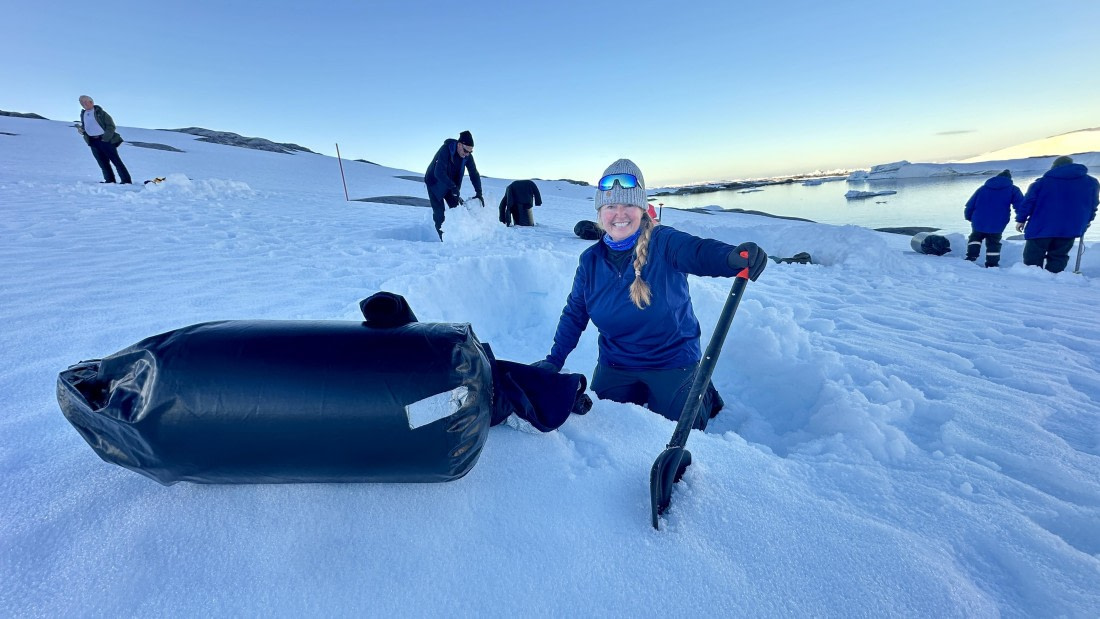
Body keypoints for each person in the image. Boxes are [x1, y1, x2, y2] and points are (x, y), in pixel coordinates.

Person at [533, 159, 768, 430]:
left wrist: (729, 257)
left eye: (628, 205)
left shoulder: (664, 241)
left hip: (672, 359)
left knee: (677, 428)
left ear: (642, 209)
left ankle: (702, 390)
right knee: (604, 423)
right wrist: (554, 360)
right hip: (616, 361)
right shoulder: (590, 261)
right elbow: (575, 314)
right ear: (600, 213)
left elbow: (697, 251)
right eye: (610, 206)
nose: (619, 214)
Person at [1015, 156, 1098, 273]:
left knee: (1033, 256)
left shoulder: (1041, 183)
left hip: (1041, 226)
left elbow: (1028, 202)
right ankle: (1053, 279)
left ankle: (1033, 279)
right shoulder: (1092, 183)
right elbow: (1093, 205)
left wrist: (1021, 219)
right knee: (1059, 256)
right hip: (1070, 227)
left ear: (1054, 167)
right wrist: (1088, 220)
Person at [423, 130, 483, 240]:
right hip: (434, 182)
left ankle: (459, 237)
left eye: (470, 152)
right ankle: (444, 241)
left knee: (456, 208)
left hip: (450, 183)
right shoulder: (446, 150)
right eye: (466, 151)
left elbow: (474, 173)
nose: (467, 154)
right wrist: (453, 187)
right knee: (439, 213)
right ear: (459, 145)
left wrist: (479, 192)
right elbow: (438, 172)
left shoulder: (467, 156)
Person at [963, 169, 1023, 267]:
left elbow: (970, 205)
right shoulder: (1013, 189)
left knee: (975, 238)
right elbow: (1020, 206)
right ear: (1010, 179)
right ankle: (992, 264)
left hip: (979, 219)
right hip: (998, 221)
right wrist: (1021, 219)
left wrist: (969, 216)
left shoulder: (983, 188)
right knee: (993, 242)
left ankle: (971, 257)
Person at [76, 95, 132, 184]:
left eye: (85, 101)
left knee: (116, 161)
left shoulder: (101, 113)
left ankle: (126, 181)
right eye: (81, 102)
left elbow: (111, 126)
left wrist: (105, 138)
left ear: (91, 102)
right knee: (102, 162)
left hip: (105, 140)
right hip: (93, 141)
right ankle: (109, 180)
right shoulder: (83, 114)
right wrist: (82, 130)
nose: (83, 104)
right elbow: (86, 126)